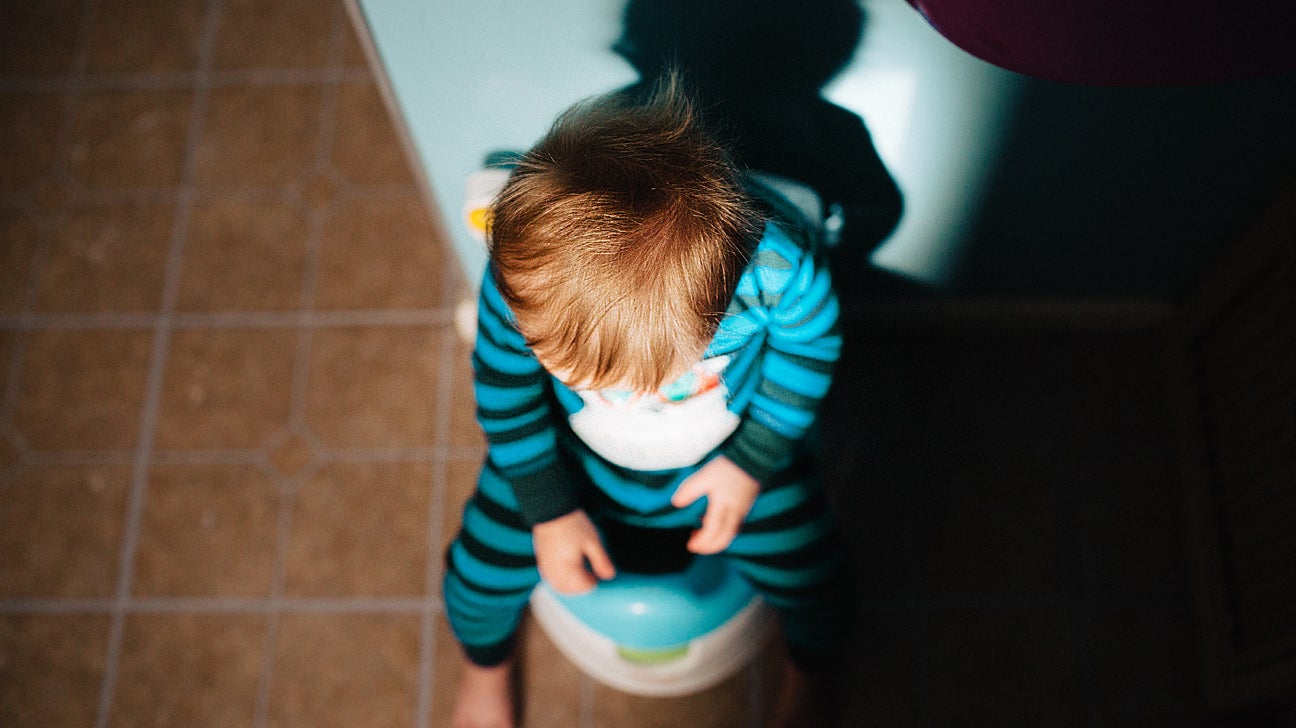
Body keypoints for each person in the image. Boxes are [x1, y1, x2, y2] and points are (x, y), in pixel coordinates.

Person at [445, 74, 846, 728]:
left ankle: (812, 676)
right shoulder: (521, 270)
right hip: (573, 454)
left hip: (733, 448)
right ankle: (483, 670)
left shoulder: (775, 270)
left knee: (817, 577)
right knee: (475, 575)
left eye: (643, 377)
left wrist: (751, 462)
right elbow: (506, 386)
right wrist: (548, 511)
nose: (626, 396)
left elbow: (809, 350)